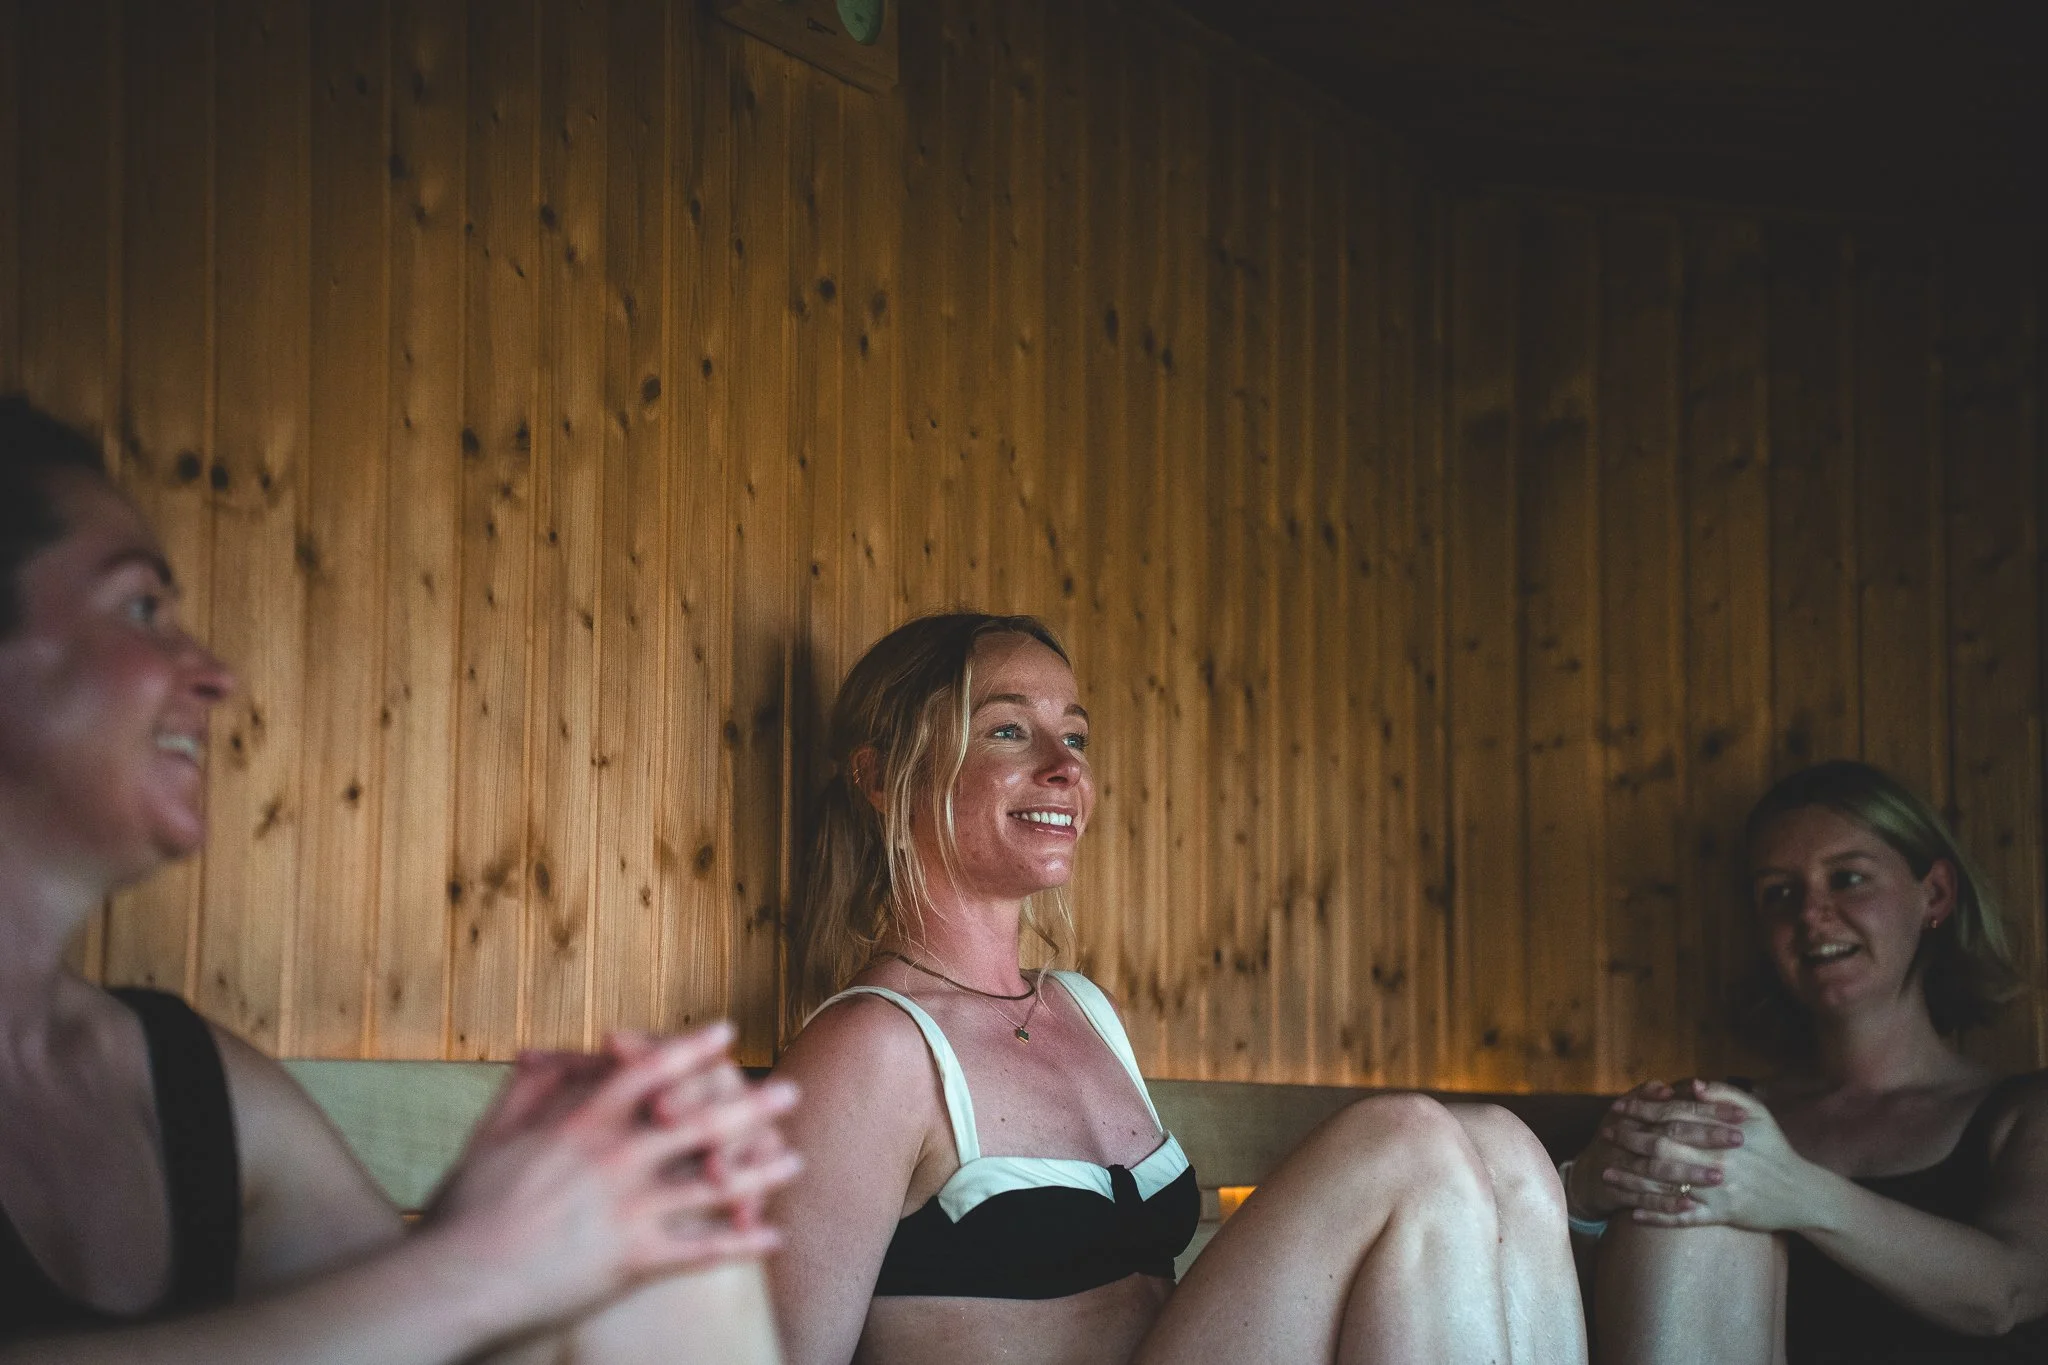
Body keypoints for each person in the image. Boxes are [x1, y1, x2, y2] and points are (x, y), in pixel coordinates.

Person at [0, 395, 798, 1363]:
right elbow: (443, 1295)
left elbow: (415, 1332)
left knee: (672, 1234)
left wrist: (556, 1186)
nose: (211, 673)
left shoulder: (187, 1083)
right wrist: (489, 1258)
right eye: (141, 609)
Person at [767, 611, 1588, 1365]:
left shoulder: (1084, 1010)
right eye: (1009, 730)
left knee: (1506, 1147)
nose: (1063, 768)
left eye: (1077, 737)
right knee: (1403, 1140)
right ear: (880, 778)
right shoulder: (869, 1050)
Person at [1563, 760, 2048, 1364]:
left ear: (1936, 895)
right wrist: (1583, 1193)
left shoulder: (2023, 1113)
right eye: (1781, 893)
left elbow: (2012, 1291)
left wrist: (1802, 1194)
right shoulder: (1718, 1116)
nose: (1811, 915)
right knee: (1691, 1207)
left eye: (1847, 878)